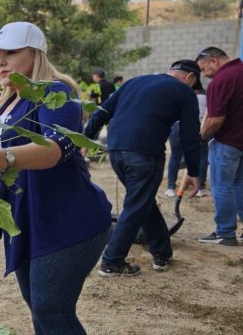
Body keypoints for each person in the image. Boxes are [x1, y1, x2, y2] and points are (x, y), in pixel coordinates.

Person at [0, 21, 112, 335]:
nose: (1, 62)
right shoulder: (2, 107)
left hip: (68, 221)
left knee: (52, 308)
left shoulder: (57, 94)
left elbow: (57, 149)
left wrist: (7, 157)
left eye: (11, 52)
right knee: (40, 309)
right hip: (27, 222)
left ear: (36, 53)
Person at [85, 60, 201, 276]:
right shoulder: (186, 93)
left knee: (142, 201)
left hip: (117, 151)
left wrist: (84, 139)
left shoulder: (133, 82)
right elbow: (190, 136)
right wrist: (193, 171)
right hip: (144, 155)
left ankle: (162, 253)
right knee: (136, 205)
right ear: (190, 78)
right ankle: (112, 262)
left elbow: (101, 111)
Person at [195, 47, 243, 245]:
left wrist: (202, 138)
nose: (204, 75)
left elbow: (215, 120)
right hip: (241, 141)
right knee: (239, 184)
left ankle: (225, 232)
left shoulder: (221, 81)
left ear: (214, 61)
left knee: (221, 186)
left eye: (204, 69)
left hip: (226, 142)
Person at [165, 80, 208, 198]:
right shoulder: (205, 97)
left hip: (176, 125)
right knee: (202, 157)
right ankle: (201, 188)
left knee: (175, 155)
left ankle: (170, 187)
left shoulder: (178, 93)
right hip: (198, 125)